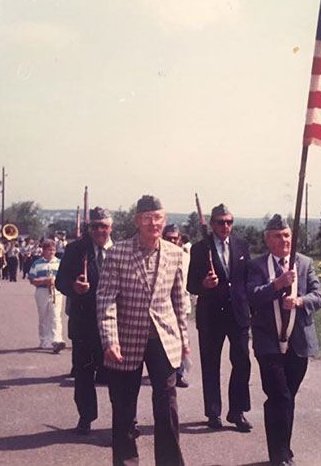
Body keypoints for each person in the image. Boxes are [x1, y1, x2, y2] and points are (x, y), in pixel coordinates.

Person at [97, 195, 189, 466]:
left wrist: (184, 339)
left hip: (164, 340)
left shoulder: (175, 254)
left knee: (167, 407)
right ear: (137, 222)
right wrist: (110, 340)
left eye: (158, 217)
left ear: (165, 220)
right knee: (124, 409)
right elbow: (106, 300)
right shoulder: (118, 253)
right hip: (126, 342)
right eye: (147, 218)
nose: (153, 223)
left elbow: (179, 301)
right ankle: (127, 462)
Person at [246, 214, 321, 466]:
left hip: (298, 342)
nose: (284, 240)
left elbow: (318, 296)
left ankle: (284, 449)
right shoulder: (257, 266)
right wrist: (278, 284)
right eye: (278, 236)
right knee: (278, 395)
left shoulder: (304, 263)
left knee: (288, 396)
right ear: (267, 239)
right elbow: (252, 297)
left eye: (287, 235)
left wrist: (300, 301)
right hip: (268, 342)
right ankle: (278, 455)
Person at [187, 203, 253, 432]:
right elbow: (190, 284)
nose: (225, 226)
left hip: (238, 314)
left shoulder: (242, 245)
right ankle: (213, 412)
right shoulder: (199, 249)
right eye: (221, 222)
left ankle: (238, 411)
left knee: (243, 361)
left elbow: (247, 281)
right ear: (212, 223)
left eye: (229, 222)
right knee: (211, 364)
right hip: (211, 315)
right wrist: (203, 285)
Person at [56, 207, 114, 435]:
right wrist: (74, 287)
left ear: (111, 227)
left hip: (114, 326)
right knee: (83, 375)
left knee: (118, 378)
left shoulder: (121, 250)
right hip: (83, 325)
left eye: (104, 226)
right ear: (89, 228)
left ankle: (125, 422)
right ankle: (86, 417)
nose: (99, 230)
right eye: (95, 226)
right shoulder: (75, 250)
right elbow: (60, 281)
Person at [162, 223, 192, 388]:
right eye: (169, 238)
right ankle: (164, 371)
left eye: (175, 239)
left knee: (182, 338)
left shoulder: (187, 258)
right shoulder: (158, 256)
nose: (172, 241)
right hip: (165, 306)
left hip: (183, 304)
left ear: (180, 240)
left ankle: (179, 374)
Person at [28, 239, 66, 352]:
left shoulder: (60, 263)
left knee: (55, 316)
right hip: (42, 292)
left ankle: (57, 340)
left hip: (56, 292)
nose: (52, 252)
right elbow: (31, 280)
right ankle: (44, 340)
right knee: (43, 316)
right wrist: (44, 281)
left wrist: (56, 281)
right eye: (49, 250)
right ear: (43, 251)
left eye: (54, 250)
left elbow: (64, 278)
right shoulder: (37, 263)